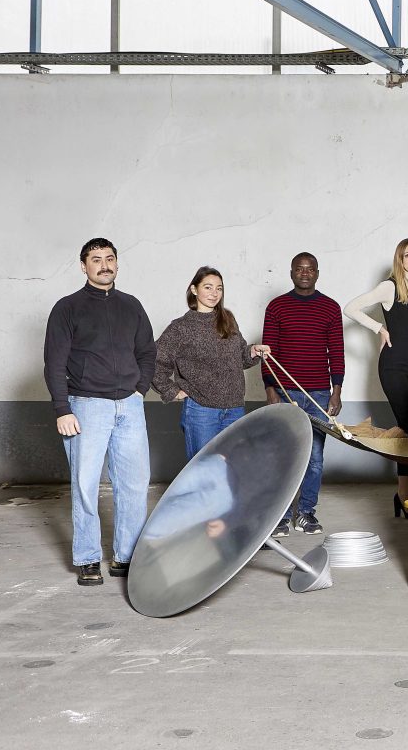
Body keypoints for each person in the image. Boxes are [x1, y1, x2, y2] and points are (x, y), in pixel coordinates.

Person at [43, 238, 156, 586]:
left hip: (130, 407)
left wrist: (139, 390)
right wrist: (63, 409)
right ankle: (88, 558)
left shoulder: (132, 306)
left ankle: (126, 556)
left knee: (135, 485)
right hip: (86, 406)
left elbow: (147, 353)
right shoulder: (67, 308)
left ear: (117, 264)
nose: (104, 265)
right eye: (96, 260)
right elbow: (54, 362)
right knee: (85, 484)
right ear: (83, 266)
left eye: (109, 259)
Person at [344, 238, 408, 517]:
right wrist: (379, 329)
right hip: (394, 366)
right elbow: (350, 308)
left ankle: (403, 494)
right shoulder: (390, 286)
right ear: (399, 259)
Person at [261, 251, 344, 538]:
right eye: (299, 268)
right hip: (285, 393)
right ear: (291, 272)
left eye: (310, 269)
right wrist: (271, 391)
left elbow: (337, 352)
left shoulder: (331, 308)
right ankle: (281, 516)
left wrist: (336, 392)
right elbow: (267, 354)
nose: (305, 273)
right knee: (283, 456)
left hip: (319, 394)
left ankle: (306, 513)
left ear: (317, 273)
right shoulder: (276, 307)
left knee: (314, 457)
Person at [152, 266, 271, 459]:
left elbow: (240, 357)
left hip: (234, 408)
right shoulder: (181, 327)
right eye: (208, 287)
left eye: (219, 288)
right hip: (201, 411)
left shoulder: (228, 319)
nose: (214, 293)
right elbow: (156, 361)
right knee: (203, 471)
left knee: (233, 470)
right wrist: (172, 390)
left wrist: (252, 351)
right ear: (194, 289)